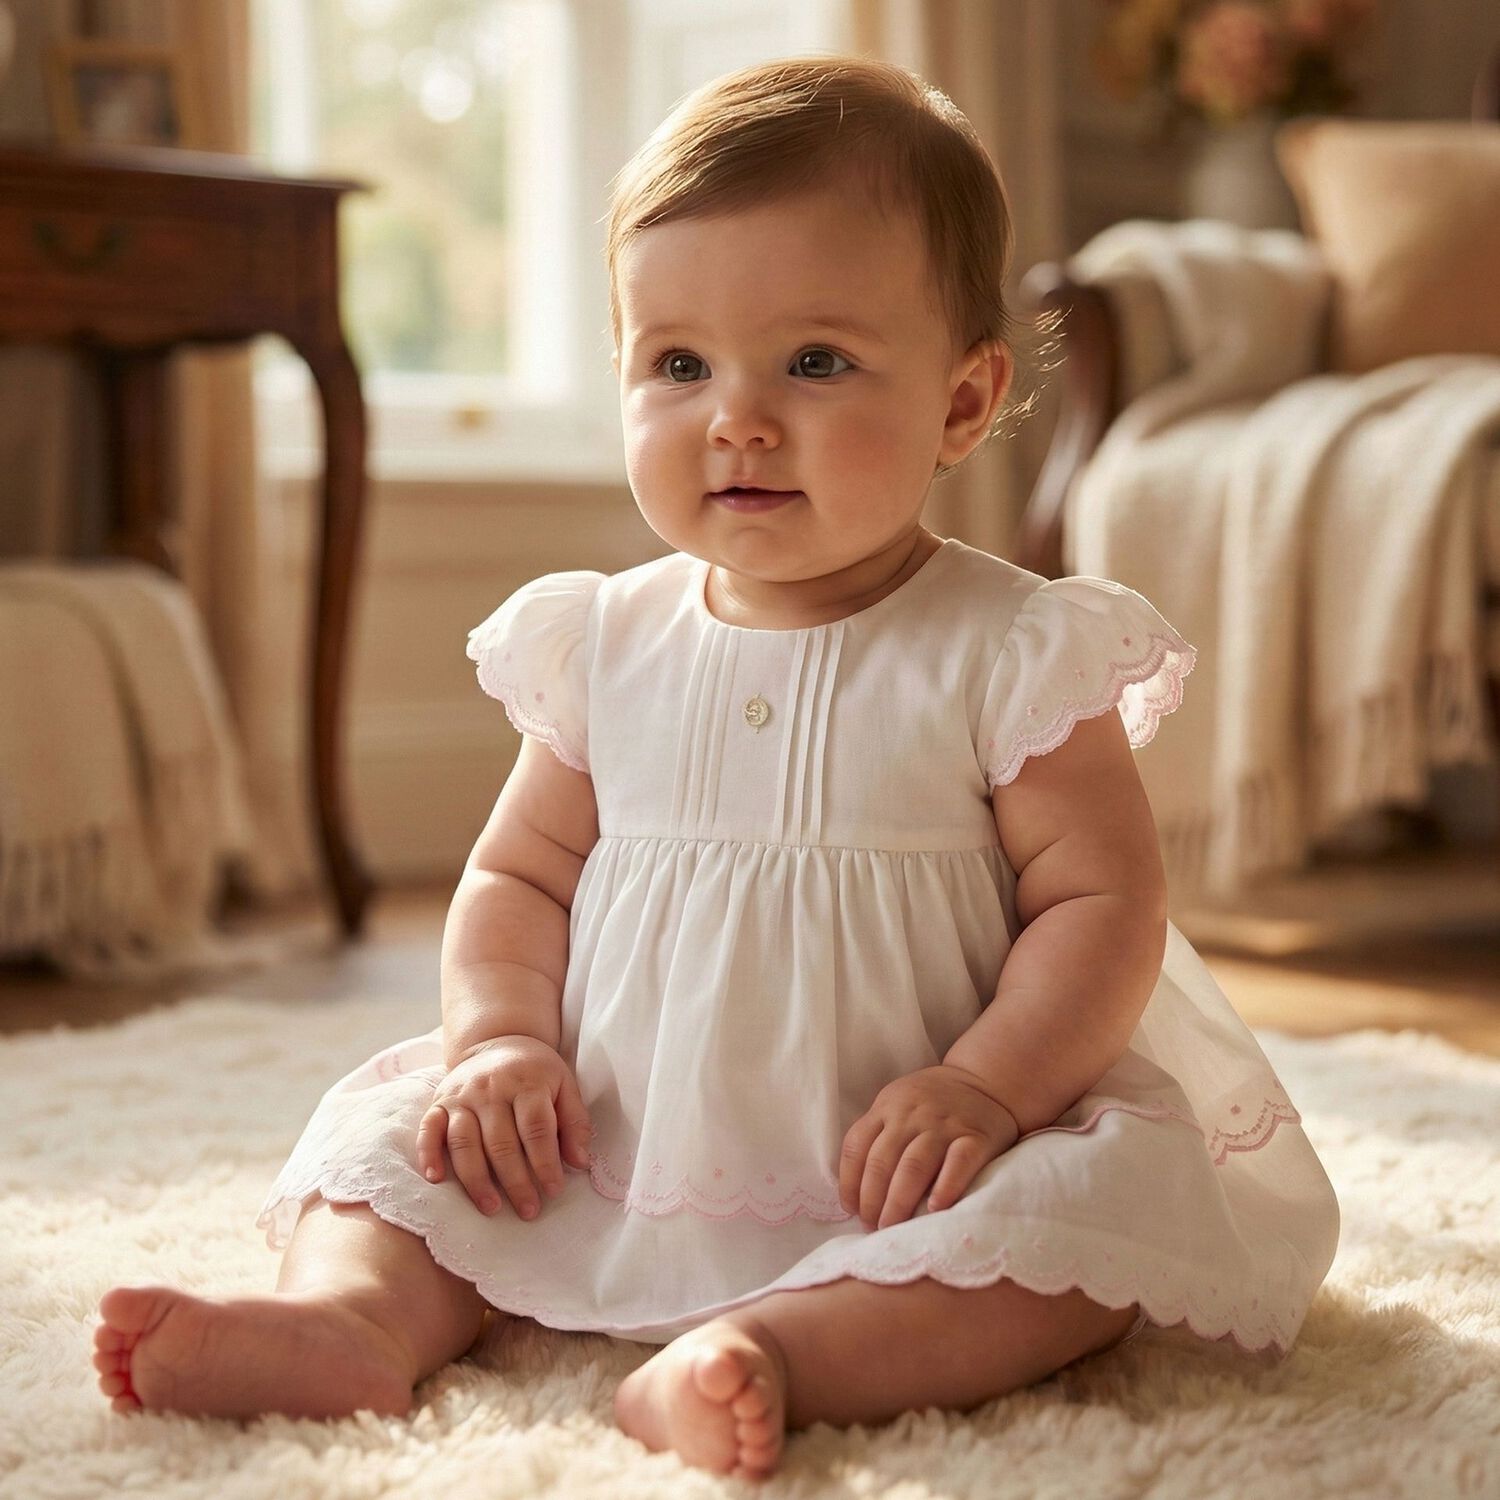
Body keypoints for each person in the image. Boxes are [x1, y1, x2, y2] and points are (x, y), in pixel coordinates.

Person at [93, 55, 1340, 1479]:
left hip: (919, 1153)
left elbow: (1102, 907)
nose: (734, 417)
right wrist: (503, 1040)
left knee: (1078, 1243)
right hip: (616, 1124)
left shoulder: (1011, 648)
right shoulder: (603, 640)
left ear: (963, 401)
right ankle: (348, 1320)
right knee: (401, 1146)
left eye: (814, 362)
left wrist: (988, 1091)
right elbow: (515, 873)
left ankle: (771, 1358)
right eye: (678, 364)